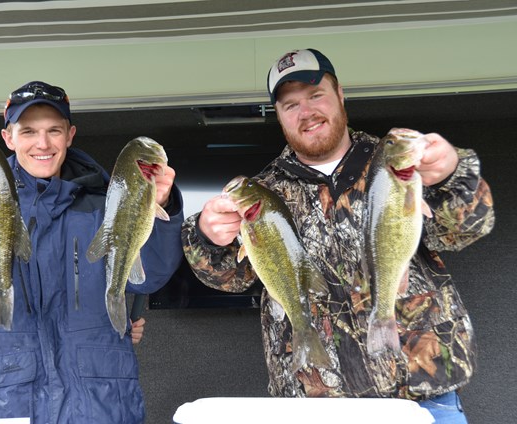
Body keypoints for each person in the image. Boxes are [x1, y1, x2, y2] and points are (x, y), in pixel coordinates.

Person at [181, 49, 494, 423]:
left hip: (422, 396)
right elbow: (228, 277)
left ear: (340, 94)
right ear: (278, 115)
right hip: (312, 404)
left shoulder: (398, 163)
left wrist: (451, 174)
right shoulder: (263, 193)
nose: (306, 112)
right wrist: (208, 236)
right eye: (291, 105)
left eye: (316, 95)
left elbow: (464, 230)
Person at [0, 81, 184, 423]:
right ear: (8, 138)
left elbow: (149, 278)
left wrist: (159, 206)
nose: (42, 143)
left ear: (69, 135)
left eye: (53, 130)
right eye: (28, 131)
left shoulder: (106, 203)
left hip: (98, 403)